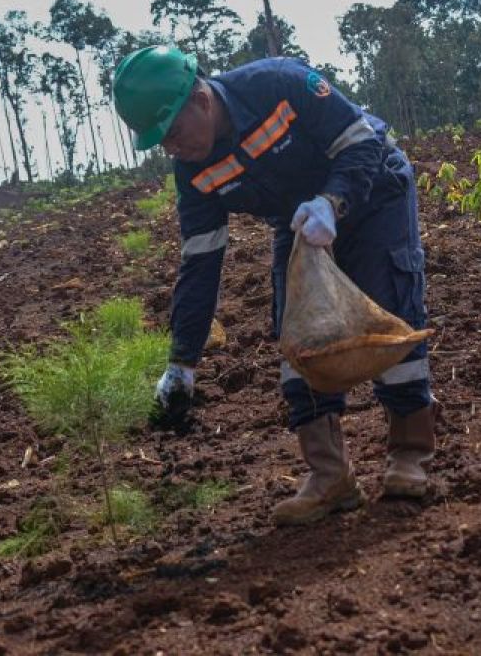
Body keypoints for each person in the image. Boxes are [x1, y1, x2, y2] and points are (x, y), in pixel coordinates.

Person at [111, 46, 436, 526]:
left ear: (200, 98)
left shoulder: (279, 84)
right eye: (161, 142)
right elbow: (200, 263)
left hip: (373, 191)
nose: (172, 148)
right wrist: (182, 362)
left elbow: (362, 142)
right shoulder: (194, 172)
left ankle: (410, 457)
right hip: (298, 221)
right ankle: (330, 478)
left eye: (174, 132)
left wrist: (333, 202)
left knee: (389, 305)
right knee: (298, 335)